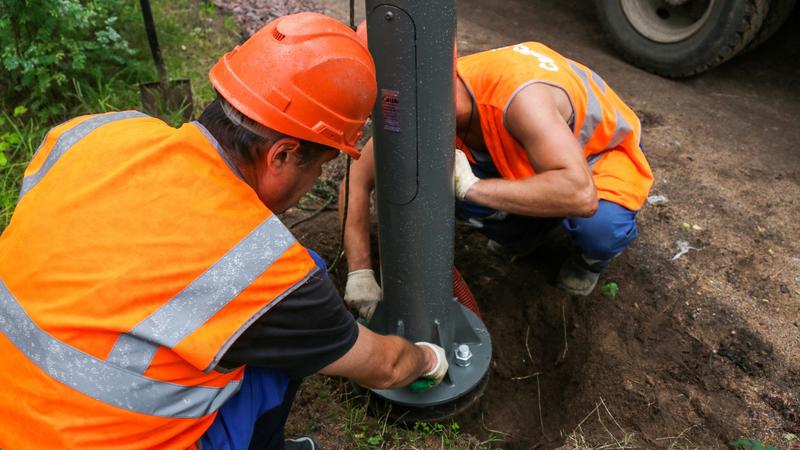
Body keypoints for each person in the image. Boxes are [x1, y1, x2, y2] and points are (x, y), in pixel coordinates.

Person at [0, 13, 448, 450]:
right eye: (321, 167)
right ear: (282, 156)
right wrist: (429, 358)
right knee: (289, 321)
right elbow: (385, 367)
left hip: (13, 413)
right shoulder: (259, 269)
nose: (313, 181)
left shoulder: (93, 132)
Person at [342, 35, 653, 319]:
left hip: (595, 155)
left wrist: (472, 187)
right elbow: (357, 178)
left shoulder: (521, 101)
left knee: (599, 227)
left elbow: (581, 195)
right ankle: (529, 233)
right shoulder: (423, 104)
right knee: (442, 186)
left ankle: (589, 260)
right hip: (532, 155)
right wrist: (359, 274)